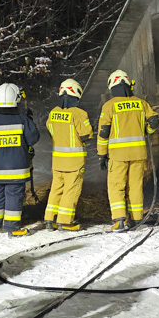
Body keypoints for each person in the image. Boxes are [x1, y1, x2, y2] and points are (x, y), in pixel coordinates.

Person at [97, 70, 159, 232]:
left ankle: (120, 220)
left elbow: (103, 132)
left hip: (118, 155)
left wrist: (102, 154)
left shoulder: (109, 106)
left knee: (116, 185)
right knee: (135, 185)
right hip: (139, 154)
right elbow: (154, 122)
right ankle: (137, 218)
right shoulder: (141, 103)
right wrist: (146, 131)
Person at [0, 83, 39, 237]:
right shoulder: (22, 119)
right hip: (17, 169)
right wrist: (29, 119)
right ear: (16, 100)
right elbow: (33, 139)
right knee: (14, 195)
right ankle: (12, 227)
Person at [44, 79, 93, 231]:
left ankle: (49, 219)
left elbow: (50, 129)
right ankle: (65, 221)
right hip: (74, 162)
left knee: (56, 189)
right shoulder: (79, 113)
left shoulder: (53, 113)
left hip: (57, 161)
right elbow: (87, 134)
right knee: (71, 190)